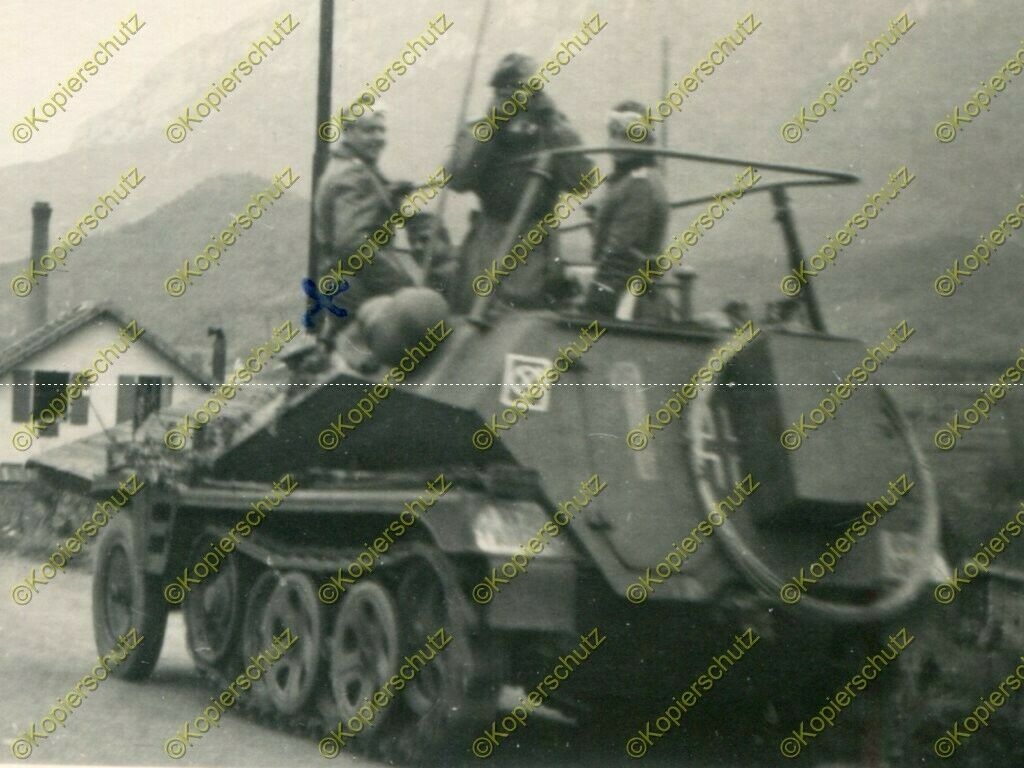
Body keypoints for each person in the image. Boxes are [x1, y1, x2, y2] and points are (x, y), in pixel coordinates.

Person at [445, 53, 592, 313]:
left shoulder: (552, 129)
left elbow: (582, 181)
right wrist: (493, 125)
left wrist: (550, 122)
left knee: (524, 318)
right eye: (510, 89)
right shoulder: (479, 129)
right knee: (480, 310)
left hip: (536, 244)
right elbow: (458, 179)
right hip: (489, 239)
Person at [312, 108, 418, 331]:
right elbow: (351, 244)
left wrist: (387, 192)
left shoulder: (348, 167)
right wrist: (403, 289)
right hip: (359, 291)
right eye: (370, 131)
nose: (379, 138)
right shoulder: (353, 174)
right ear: (348, 132)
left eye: (382, 131)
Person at [584, 101, 671, 319]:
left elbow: (623, 251)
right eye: (613, 133)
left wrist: (598, 298)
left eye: (624, 134)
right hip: (624, 285)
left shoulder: (638, 184)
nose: (615, 142)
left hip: (627, 294)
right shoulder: (631, 179)